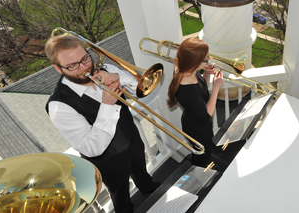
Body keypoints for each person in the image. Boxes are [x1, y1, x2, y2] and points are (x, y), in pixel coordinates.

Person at [44, 35, 159, 213]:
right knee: (120, 195)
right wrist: (106, 105)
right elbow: (91, 148)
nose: (84, 68)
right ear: (58, 69)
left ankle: (150, 190)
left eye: (84, 59)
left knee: (143, 173)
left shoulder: (105, 69)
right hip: (108, 159)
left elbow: (140, 90)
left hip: (131, 137)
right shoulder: (58, 106)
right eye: (73, 65)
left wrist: (116, 76)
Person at [167, 38, 224, 168]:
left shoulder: (186, 70)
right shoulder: (187, 88)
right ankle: (199, 172)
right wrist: (216, 88)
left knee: (205, 151)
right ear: (195, 62)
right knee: (203, 155)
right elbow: (206, 114)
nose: (209, 59)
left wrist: (207, 74)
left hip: (193, 122)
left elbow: (201, 88)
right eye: (206, 58)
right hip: (198, 130)